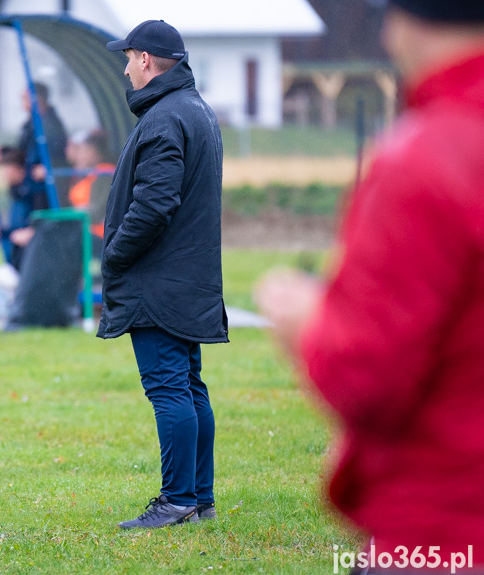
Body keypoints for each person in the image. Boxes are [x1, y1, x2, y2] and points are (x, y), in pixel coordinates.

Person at [255, 1, 484, 570]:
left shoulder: (426, 158)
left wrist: (303, 320)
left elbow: (364, 378)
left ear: (401, 26)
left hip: (446, 530)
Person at [101, 20, 228, 529]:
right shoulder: (196, 110)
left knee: (170, 390)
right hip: (189, 278)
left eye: (129, 58)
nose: (127, 67)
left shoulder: (163, 118)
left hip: (159, 283)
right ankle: (199, 499)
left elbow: (155, 203)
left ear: (148, 60)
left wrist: (113, 255)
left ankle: (177, 500)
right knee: (190, 388)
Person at [0, 147, 38, 271]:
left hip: (32, 260)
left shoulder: (36, 194)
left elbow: (46, 225)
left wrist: (32, 233)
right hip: (17, 259)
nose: (4, 174)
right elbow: (16, 230)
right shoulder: (16, 194)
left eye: (6, 168)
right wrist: (0, 231)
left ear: (18, 168)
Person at [67, 130, 116, 257]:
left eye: (83, 151)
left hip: (99, 233)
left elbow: (99, 210)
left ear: (94, 152)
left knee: (62, 240)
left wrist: (75, 213)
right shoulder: (88, 174)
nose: (80, 156)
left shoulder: (105, 173)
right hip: (85, 229)